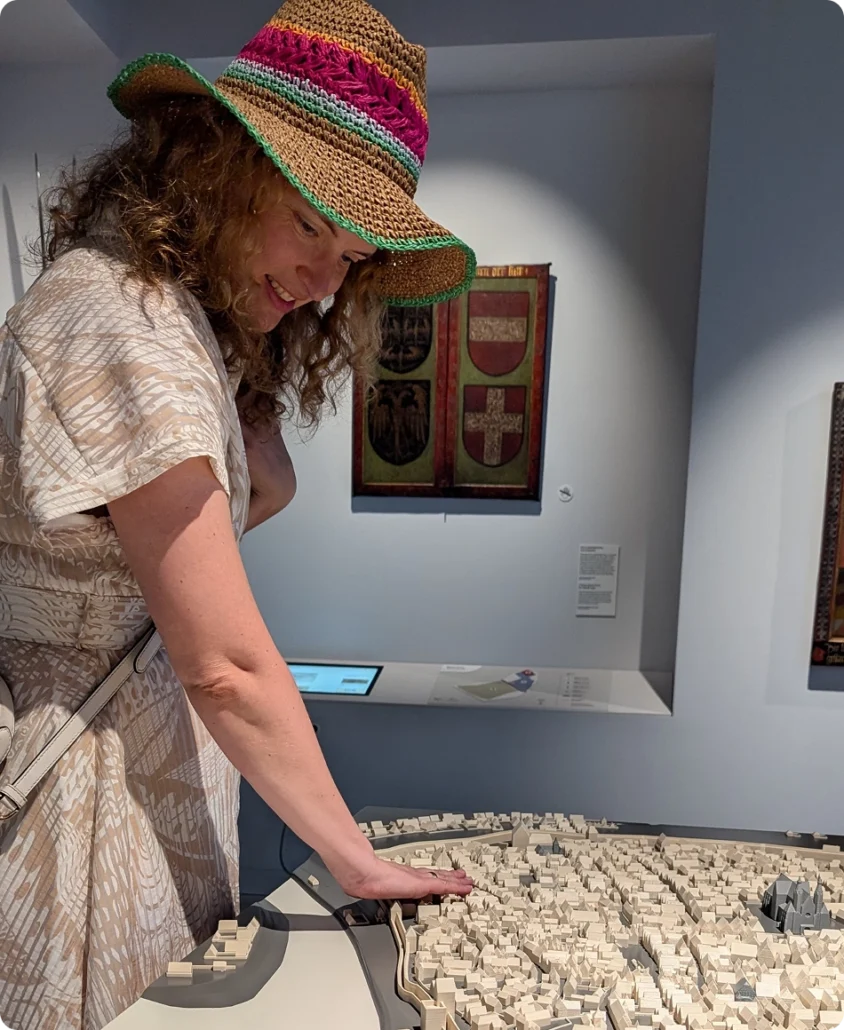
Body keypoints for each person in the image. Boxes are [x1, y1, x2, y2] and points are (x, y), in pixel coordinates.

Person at [0, 1, 477, 1027]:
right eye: (307, 223)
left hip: (138, 774)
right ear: (211, 166)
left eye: (347, 259)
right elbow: (222, 662)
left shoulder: (171, 321)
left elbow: (256, 493)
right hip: (80, 800)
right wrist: (354, 859)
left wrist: (240, 342)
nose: (315, 280)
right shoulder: (122, 321)